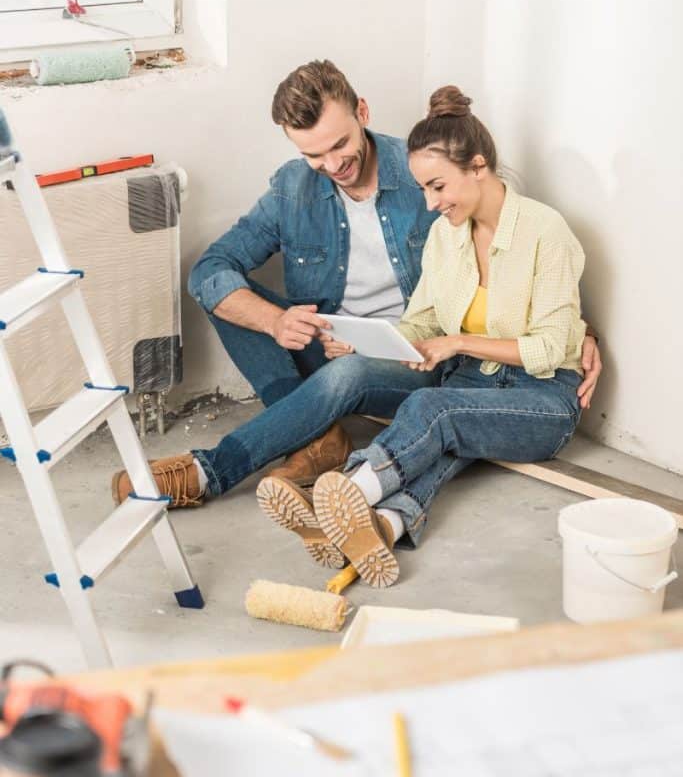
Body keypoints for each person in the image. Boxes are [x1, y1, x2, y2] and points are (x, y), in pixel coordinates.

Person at [111, 61, 601, 512]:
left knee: (353, 378)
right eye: (313, 155)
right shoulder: (291, 187)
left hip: (412, 357)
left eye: (340, 144)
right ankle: (315, 440)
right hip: (337, 342)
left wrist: (580, 334)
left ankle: (211, 470)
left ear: (362, 112)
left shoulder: (420, 174)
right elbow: (210, 270)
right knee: (228, 299)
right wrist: (276, 320)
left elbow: (516, 250)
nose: (332, 164)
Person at [262, 85, 591, 588]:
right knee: (440, 443)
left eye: (438, 186)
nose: (431, 203)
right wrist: (367, 341)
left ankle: (350, 490)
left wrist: (457, 343)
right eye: (422, 190)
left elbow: (548, 348)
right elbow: (422, 321)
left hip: (543, 398)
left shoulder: (546, 232)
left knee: (429, 410)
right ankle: (382, 524)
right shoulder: (447, 236)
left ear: (478, 166)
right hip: (474, 387)